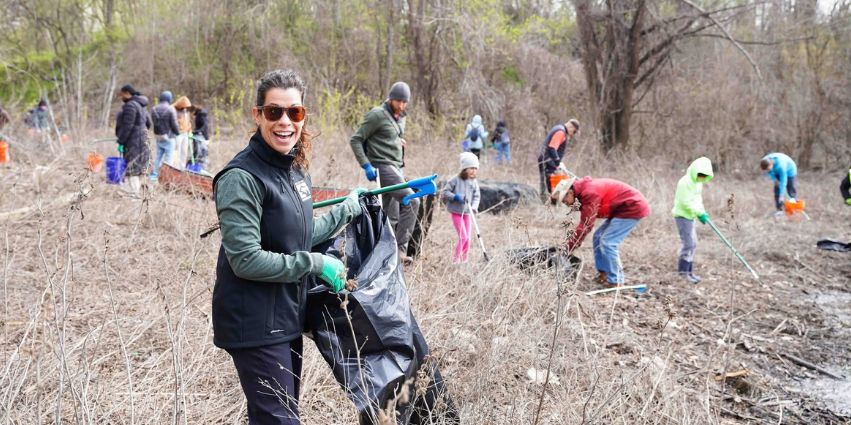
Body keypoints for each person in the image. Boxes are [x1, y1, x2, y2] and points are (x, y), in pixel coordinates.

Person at [213, 69, 365, 425]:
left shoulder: (294, 171)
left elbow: (299, 233)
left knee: (273, 417)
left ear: (303, 115)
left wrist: (345, 210)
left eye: (294, 113)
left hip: (285, 318)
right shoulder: (241, 178)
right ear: (257, 115)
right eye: (274, 112)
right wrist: (314, 264)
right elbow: (246, 260)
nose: (285, 122)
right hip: (253, 323)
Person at [349, 81, 419, 264]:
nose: (401, 105)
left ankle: (383, 256)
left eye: (405, 102)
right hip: (383, 166)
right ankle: (400, 251)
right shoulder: (377, 115)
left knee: (391, 214)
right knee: (412, 201)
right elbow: (356, 139)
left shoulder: (400, 117)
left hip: (397, 167)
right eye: (398, 101)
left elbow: (385, 136)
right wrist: (366, 165)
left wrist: (398, 141)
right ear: (391, 99)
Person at [551, 176, 650, 285]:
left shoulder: (589, 193)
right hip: (620, 209)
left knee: (608, 242)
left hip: (632, 207)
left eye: (565, 201)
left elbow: (586, 225)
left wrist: (568, 248)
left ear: (570, 192)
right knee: (598, 237)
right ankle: (604, 274)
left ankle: (616, 281)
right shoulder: (583, 191)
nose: (567, 205)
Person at [671, 157, 714, 284]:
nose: (701, 177)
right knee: (689, 243)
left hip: (691, 216)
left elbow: (697, 200)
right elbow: (685, 202)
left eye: (704, 176)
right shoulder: (685, 182)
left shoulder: (697, 183)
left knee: (694, 243)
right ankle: (683, 272)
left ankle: (690, 271)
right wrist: (699, 213)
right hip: (683, 216)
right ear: (695, 171)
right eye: (700, 174)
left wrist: (702, 212)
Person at [441, 152, 481, 263]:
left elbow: (477, 196)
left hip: (468, 213)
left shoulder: (473, 182)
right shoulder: (455, 180)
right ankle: (456, 260)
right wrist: (455, 197)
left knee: (468, 238)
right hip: (457, 213)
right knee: (463, 237)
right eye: (471, 168)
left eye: (475, 168)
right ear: (464, 168)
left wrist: (474, 206)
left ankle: (465, 260)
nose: (474, 171)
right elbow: (445, 193)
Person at [115, 84, 151, 193]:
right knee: (141, 169)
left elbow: (128, 127)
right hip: (144, 141)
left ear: (127, 93)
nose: (121, 98)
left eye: (122, 95)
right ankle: (142, 194)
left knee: (132, 170)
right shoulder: (142, 105)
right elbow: (148, 123)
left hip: (133, 143)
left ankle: (134, 196)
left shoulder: (130, 106)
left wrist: (121, 141)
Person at [538, 119, 579, 202]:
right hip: (548, 161)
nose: (572, 134)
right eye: (574, 132)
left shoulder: (559, 128)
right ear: (572, 127)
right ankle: (549, 203)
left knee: (545, 182)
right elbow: (552, 147)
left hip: (545, 159)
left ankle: (546, 201)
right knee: (550, 183)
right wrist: (557, 162)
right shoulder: (561, 132)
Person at [149, 90, 180, 181]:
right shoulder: (171, 109)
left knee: (158, 156)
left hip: (158, 137)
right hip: (169, 137)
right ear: (169, 99)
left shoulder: (153, 109)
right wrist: (177, 133)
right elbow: (174, 124)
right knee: (168, 158)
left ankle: (154, 176)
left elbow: (154, 122)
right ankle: (166, 177)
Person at [172, 95, 193, 168]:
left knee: (184, 151)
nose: (185, 108)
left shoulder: (185, 111)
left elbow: (188, 122)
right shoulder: (173, 110)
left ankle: (182, 167)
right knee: (177, 151)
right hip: (178, 134)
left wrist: (190, 130)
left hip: (185, 134)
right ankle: (175, 167)